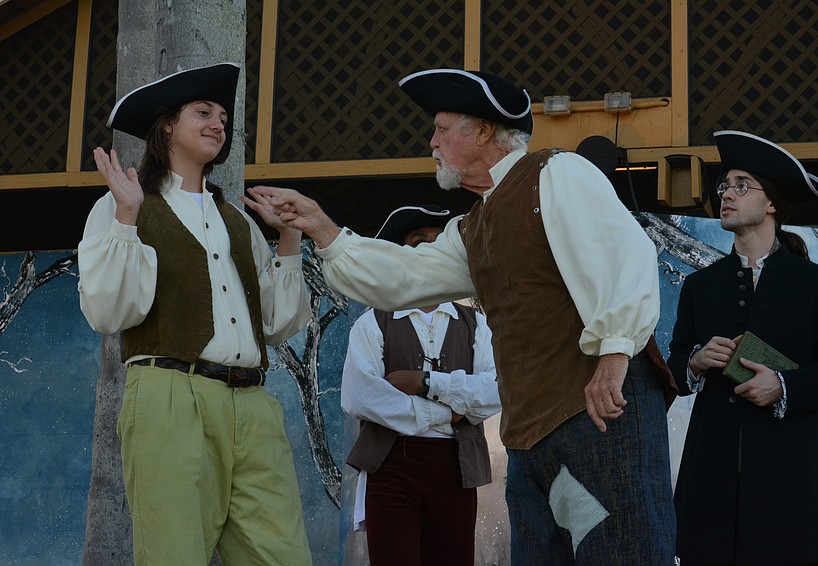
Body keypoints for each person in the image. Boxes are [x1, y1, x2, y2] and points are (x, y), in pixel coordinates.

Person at [244, 68, 677, 564]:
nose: (431, 142)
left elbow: (623, 255)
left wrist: (615, 355)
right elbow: (405, 277)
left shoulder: (555, 173)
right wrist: (321, 227)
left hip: (599, 414)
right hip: (532, 437)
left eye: (443, 129)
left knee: (624, 554)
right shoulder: (474, 227)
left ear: (484, 131)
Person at [77, 62, 312, 565]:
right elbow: (108, 311)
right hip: (169, 397)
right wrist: (124, 217)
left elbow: (276, 324)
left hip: (251, 403)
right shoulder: (125, 206)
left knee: (282, 556)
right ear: (166, 126)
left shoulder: (237, 220)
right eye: (202, 112)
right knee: (174, 555)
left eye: (223, 116)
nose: (217, 124)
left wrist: (290, 237)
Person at [667, 130, 818, 565]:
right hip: (710, 475)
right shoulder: (700, 286)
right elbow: (674, 371)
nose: (726, 195)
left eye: (740, 185)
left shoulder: (810, 284)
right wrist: (695, 361)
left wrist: (783, 386)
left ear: (771, 203)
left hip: (787, 474)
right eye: (724, 186)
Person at [341, 204, 501, 565]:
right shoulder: (373, 323)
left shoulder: (478, 325)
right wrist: (449, 412)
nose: (430, 248)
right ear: (399, 255)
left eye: (438, 240)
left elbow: (495, 391)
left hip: (456, 467)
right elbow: (360, 396)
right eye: (417, 241)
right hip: (392, 465)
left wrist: (425, 381)